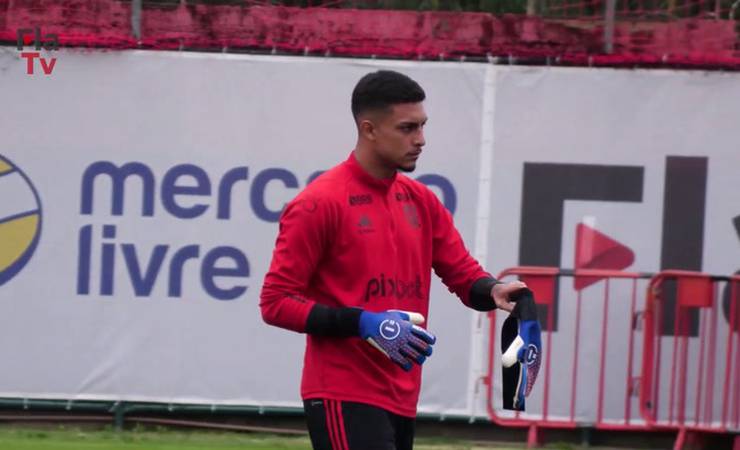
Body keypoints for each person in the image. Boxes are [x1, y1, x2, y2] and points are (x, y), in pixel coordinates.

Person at [260, 69, 526, 450]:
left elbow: (462, 273)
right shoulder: (318, 203)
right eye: (407, 128)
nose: (420, 140)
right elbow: (275, 303)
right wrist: (361, 322)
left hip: (402, 394)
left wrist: (496, 291)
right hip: (342, 391)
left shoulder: (421, 200)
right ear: (369, 130)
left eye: (422, 126)